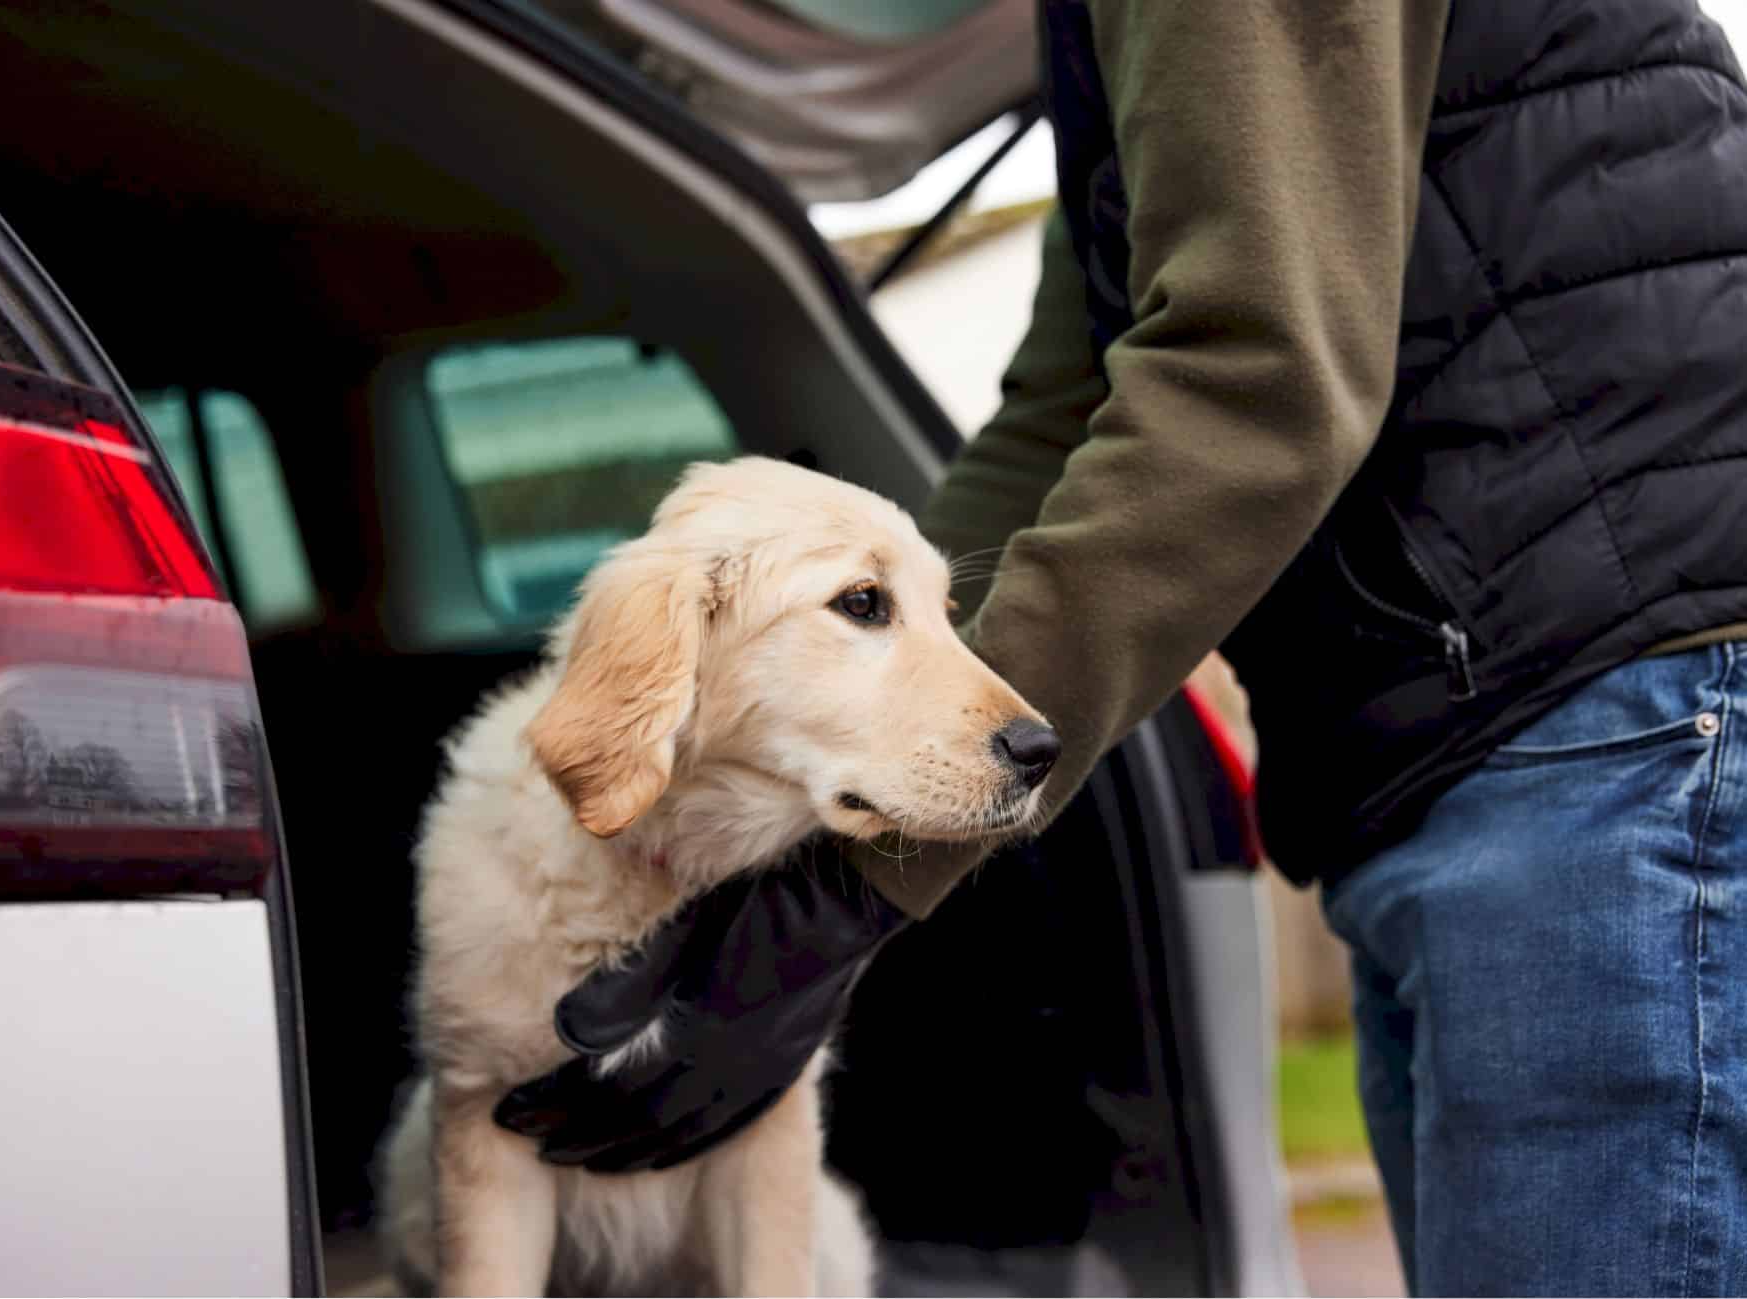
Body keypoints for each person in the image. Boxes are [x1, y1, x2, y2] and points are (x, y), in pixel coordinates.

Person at [493, 2, 1747, 1292]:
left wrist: (841, 900)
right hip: (1461, 735)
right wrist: (818, 800)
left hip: (1605, 717)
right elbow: (1069, 406)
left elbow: (1258, 375)